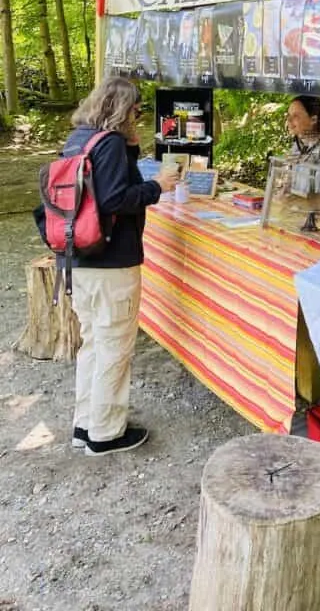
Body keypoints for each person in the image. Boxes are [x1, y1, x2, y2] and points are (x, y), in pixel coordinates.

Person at [57, 77, 178, 455]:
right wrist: (157, 186)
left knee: (94, 342)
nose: (139, 116)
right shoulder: (108, 144)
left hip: (81, 257)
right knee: (114, 346)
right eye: (137, 109)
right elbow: (114, 200)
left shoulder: (80, 138)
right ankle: (106, 433)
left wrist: (131, 148)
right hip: (112, 262)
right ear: (123, 108)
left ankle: (85, 423)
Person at [285, 95, 320, 162]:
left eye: (296, 116)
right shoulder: (299, 145)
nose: (289, 120)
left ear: (313, 120)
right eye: (289, 115)